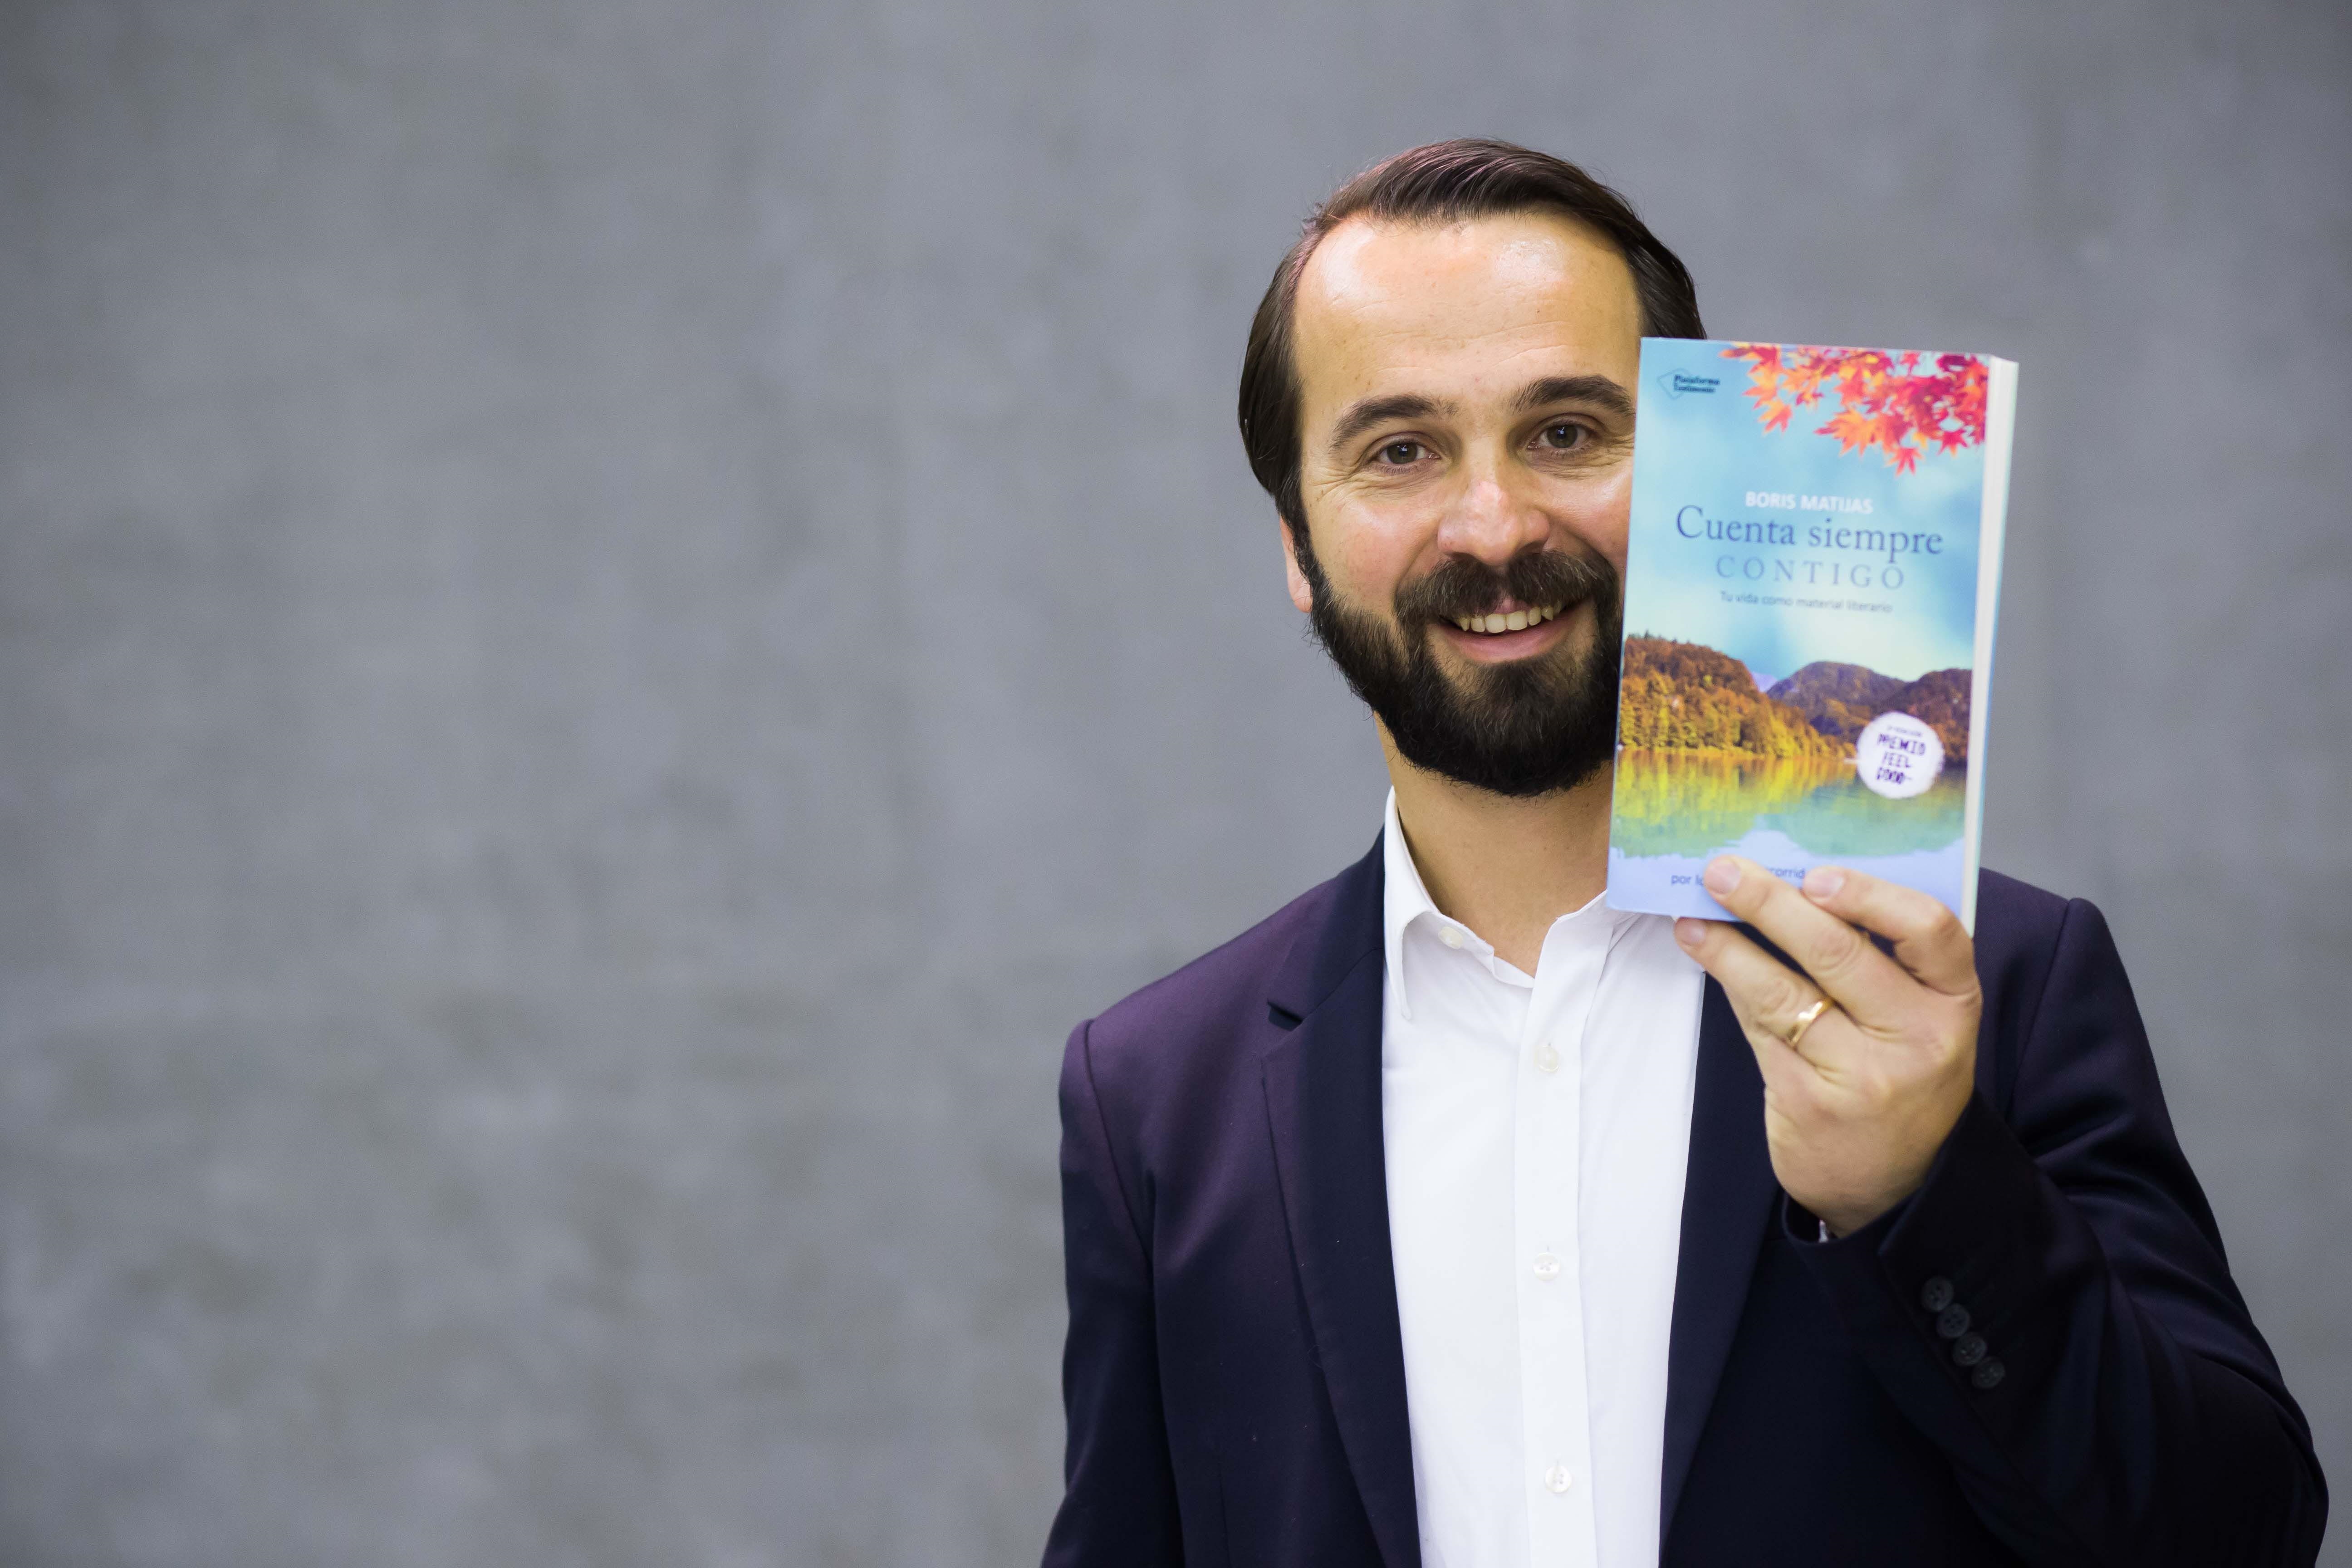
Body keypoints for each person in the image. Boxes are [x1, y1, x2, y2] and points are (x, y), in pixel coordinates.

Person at [1040, 139, 2326, 1568]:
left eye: (1567, 433)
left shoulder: (1992, 986)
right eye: (1400, 451)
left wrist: (1924, 1193)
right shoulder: (1156, 1098)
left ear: (1702, 466)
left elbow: (2244, 1537)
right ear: (1297, 541)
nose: (1496, 526)